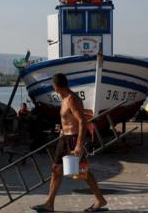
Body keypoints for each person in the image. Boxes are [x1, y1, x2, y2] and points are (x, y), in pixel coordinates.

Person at [31, 73, 108, 212]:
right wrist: (61, 131)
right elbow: (67, 120)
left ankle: (100, 200)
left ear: (56, 86)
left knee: (82, 171)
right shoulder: (64, 99)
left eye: (53, 87)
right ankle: (49, 203)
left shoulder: (72, 99)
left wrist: (79, 144)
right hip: (64, 138)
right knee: (56, 169)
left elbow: (82, 121)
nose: (53, 90)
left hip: (73, 138)